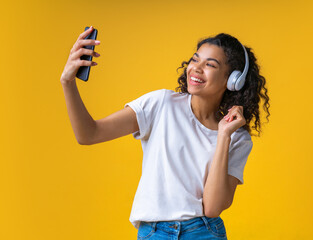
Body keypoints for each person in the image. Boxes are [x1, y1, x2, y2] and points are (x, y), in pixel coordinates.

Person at [60, 26, 270, 240]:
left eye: (210, 65)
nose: (196, 68)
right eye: (195, 60)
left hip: (204, 232)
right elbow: (89, 134)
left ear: (233, 80)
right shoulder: (161, 104)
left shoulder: (237, 137)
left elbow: (212, 208)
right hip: (155, 233)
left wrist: (224, 135)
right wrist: (68, 83)